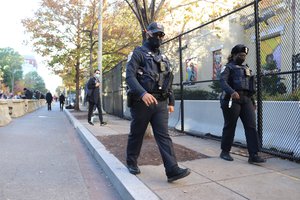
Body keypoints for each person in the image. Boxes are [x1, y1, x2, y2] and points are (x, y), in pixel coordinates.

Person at [125, 22, 191, 182]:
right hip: (142, 102)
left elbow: (168, 80)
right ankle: (131, 161)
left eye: (161, 35)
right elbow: (130, 77)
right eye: (156, 34)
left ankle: (172, 170)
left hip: (161, 102)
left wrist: (171, 101)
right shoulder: (138, 53)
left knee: (164, 135)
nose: (159, 37)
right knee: (137, 133)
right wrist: (142, 93)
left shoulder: (164, 57)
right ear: (147, 33)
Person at [219, 44, 266, 164]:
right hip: (232, 99)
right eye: (240, 55)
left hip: (246, 100)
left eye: (244, 55)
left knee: (251, 126)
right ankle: (225, 151)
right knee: (230, 125)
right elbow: (223, 82)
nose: (243, 57)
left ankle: (253, 155)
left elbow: (249, 86)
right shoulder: (228, 67)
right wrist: (232, 92)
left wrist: (253, 101)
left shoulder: (246, 68)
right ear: (234, 55)